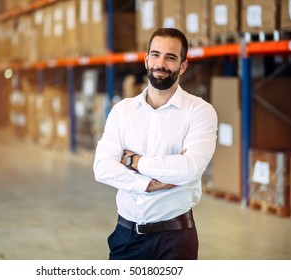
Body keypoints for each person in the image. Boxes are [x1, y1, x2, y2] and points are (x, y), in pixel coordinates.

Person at [93, 28, 218, 260]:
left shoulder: (199, 112)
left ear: (183, 66)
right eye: (155, 54)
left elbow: (188, 169)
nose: (161, 63)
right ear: (146, 59)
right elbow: (102, 168)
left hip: (175, 240)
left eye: (171, 57)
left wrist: (134, 161)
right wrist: (148, 184)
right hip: (126, 237)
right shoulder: (123, 111)